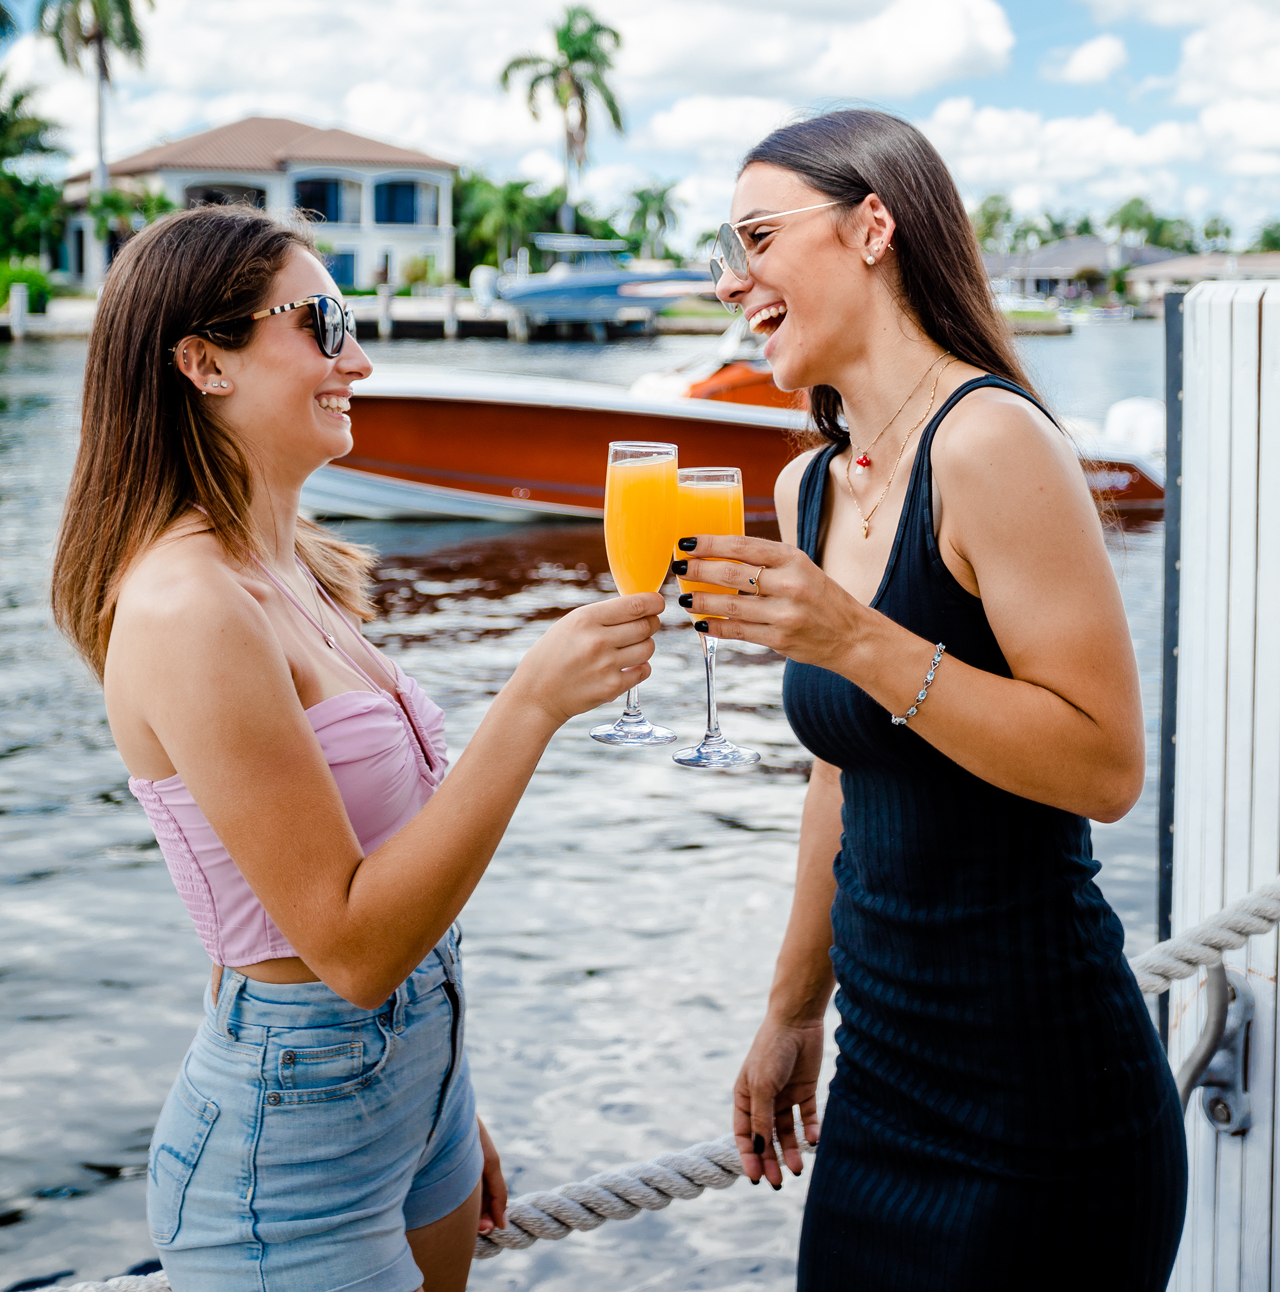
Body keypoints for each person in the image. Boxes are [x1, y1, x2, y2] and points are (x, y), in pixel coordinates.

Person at [51, 206, 662, 1292]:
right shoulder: (189, 607)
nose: (360, 359)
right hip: (287, 1162)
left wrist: (444, 1101)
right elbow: (345, 945)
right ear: (204, 362)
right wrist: (529, 703)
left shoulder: (292, 569)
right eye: (322, 323)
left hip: (410, 1093)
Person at [676, 110, 1185, 1290]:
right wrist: (791, 1010)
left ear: (870, 228)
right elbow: (839, 774)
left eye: (755, 235)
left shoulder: (989, 442)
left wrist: (851, 635)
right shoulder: (805, 479)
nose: (730, 277)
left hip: (1039, 1097)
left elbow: (1104, 769)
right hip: (880, 1083)